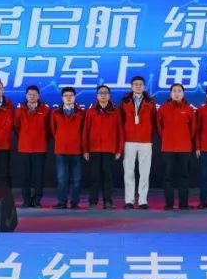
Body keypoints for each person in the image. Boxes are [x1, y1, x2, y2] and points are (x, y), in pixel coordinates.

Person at [120, 76, 157, 209]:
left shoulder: (150, 102)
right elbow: (121, 121)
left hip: (145, 142)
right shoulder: (125, 102)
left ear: (144, 86)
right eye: (135, 84)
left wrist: (150, 137)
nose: (138, 86)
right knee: (128, 172)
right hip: (129, 141)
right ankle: (129, 200)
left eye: (140, 84)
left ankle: (143, 200)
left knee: (144, 172)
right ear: (131, 87)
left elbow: (154, 121)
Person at [83, 84, 122, 209]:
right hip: (94, 149)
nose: (103, 95)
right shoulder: (91, 111)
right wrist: (85, 149)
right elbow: (85, 131)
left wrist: (119, 149)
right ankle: (93, 202)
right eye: (101, 93)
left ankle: (108, 201)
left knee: (108, 177)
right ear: (97, 96)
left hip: (109, 149)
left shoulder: (115, 112)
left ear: (109, 96)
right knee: (94, 177)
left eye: (105, 93)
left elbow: (120, 132)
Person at [157, 83, 195, 210]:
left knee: (184, 176)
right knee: (168, 176)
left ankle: (183, 204)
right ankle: (169, 204)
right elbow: (159, 127)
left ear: (183, 94)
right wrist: (166, 137)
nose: (177, 93)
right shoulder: (163, 109)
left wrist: (185, 139)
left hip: (184, 148)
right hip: (168, 148)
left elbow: (193, 128)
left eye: (179, 91)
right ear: (170, 93)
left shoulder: (189, 109)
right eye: (174, 91)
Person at [14, 85, 50, 208]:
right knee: (25, 176)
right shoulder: (19, 110)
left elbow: (49, 129)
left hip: (40, 148)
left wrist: (42, 139)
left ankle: (37, 200)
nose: (32, 96)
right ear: (26, 96)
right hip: (24, 147)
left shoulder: (45, 110)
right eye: (30, 94)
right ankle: (26, 200)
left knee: (38, 176)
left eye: (34, 94)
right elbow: (17, 128)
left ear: (38, 96)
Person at [50, 87, 85, 209]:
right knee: (61, 178)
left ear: (75, 97)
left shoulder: (81, 113)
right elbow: (53, 130)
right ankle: (62, 202)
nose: (69, 97)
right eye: (66, 95)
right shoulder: (55, 113)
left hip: (76, 150)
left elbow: (84, 131)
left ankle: (75, 202)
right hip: (61, 150)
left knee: (76, 179)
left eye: (71, 95)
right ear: (62, 98)